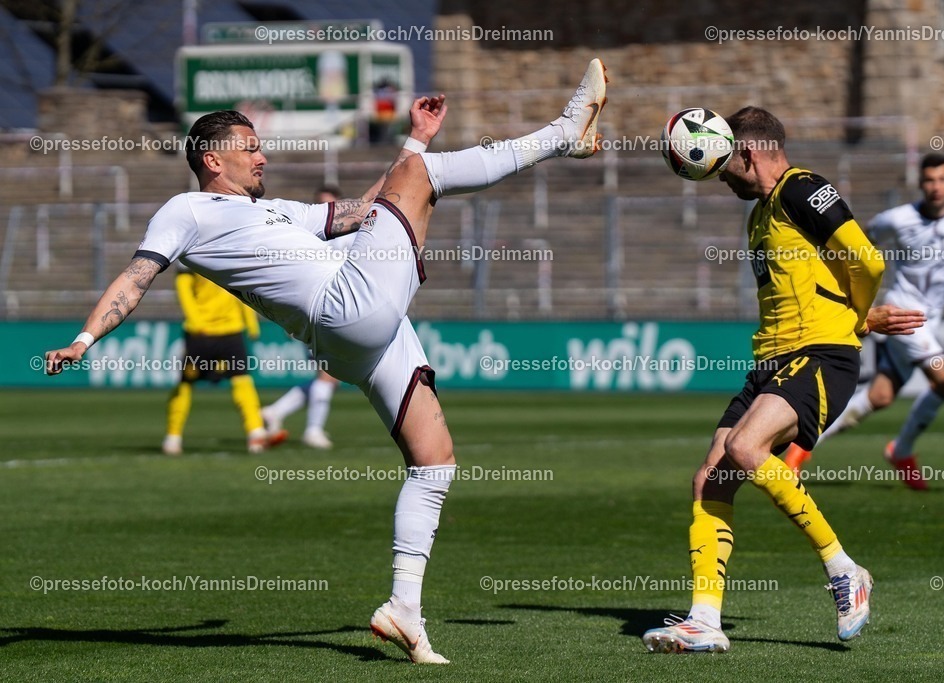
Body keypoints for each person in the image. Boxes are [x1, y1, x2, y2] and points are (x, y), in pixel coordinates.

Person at [44, 58, 609, 664]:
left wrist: (415, 138)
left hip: (357, 329)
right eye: (251, 148)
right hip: (345, 307)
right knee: (418, 176)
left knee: (435, 461)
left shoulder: (275, 211)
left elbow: (365, 213)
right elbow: (137, 276)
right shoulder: (186, 210)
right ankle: (563, 132)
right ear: (214, 160)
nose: (262, 157)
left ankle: (405, 612)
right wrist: (84, 339)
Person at [642, 107, 925, 654]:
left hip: (821, 355)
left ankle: (844, 569)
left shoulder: (802, 188)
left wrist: (856, 321)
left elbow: (867, 262)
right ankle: (704, 620)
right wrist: (857, 317)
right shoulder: (760, 215)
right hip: (773, 363)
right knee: (710, 479)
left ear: (748, 151)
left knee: (746, 448)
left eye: (726, 167)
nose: (722, 177)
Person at [784, 154, 944, 490]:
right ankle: (901, 449)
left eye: (942, 180)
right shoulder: (898, 219)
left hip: (930, 319)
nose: (936, 187)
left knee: (879, 397)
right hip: (902, 312)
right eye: (929, 181)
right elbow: (856, 246)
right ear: (920, 184)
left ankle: (801, 448)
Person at [260, 185, 345, 450]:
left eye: (330, 203)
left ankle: (275, 411)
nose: (326, 209)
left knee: (331, 376)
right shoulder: (305, 234)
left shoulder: (348, 235)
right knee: (328, 375)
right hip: (317, 309)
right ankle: (313, 430)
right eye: (321, 204)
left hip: (338, 308)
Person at [162, 268, 275, 455]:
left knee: (242, 380)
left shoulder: (231, 249)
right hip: (201, 333)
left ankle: (255, 433)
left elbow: (241, 287)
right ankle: (173, 437)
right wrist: (196, 321)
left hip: (231, 331)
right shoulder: (192, 251)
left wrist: (251, 321)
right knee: (186, 383)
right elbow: (183, 287)